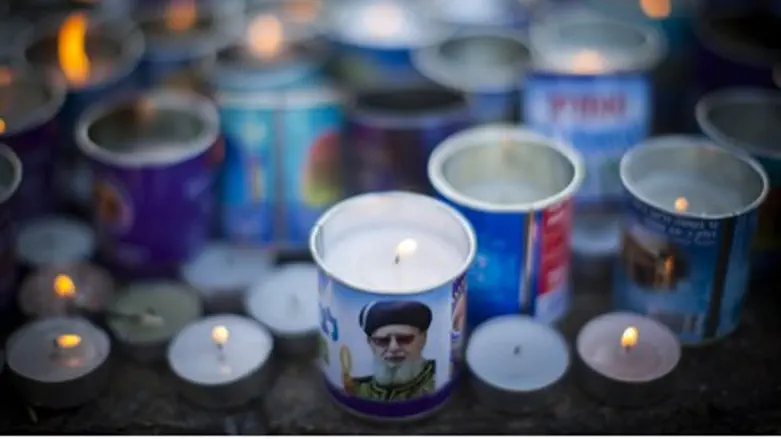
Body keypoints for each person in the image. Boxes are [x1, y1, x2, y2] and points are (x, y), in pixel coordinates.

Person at [347, 300, 435, 401]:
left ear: (423, 338)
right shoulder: (355, 389)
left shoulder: (439, 377)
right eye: (382, 341)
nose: (393, 348)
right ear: (370, 342)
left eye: (404, 339)